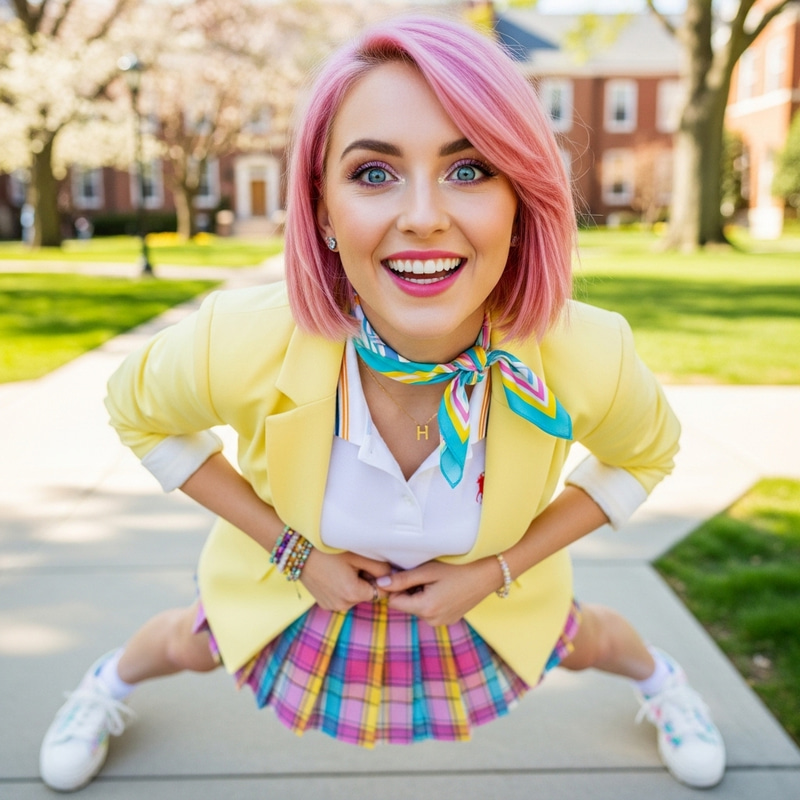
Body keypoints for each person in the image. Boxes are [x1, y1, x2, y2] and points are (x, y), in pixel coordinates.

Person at [39, 13, 726, 793]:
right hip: (294, 587)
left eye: (469, 170)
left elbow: (646, 454)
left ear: (520, 198)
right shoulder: (240, 337)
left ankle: (666, 687)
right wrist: (293, 553)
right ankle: (102, 688)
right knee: (191, 642)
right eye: (373, 173)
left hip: (487, 596)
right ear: (323, 208)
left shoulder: (585, 351)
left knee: (583, 639)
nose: (424, 214)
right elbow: (138, 414)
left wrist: (500, 569)